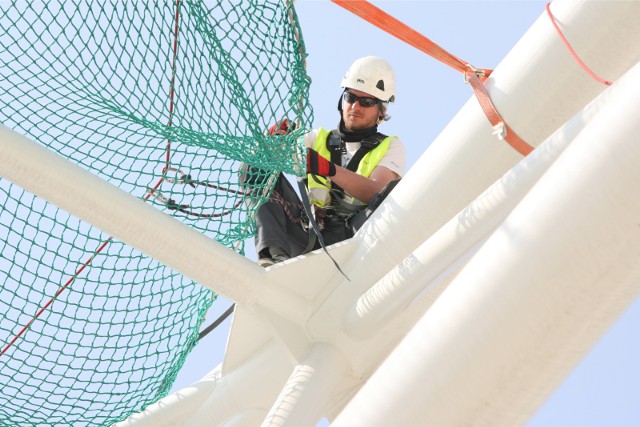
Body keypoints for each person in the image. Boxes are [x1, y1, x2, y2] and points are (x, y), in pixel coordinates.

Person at [252, 56, 406, 267]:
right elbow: (258, 159)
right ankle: (274, 257)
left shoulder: (390, 147)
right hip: (308, 233)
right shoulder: (317, 139)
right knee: (255, 169)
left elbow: (376, 192)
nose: (355, 106)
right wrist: (272, 140)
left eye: (366, 101)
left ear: (382, 111)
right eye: (350, 97)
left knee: (391, 192)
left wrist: (328, 169)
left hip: (356, 238)